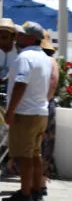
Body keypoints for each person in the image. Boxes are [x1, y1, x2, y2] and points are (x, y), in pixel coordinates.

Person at [2, 21, 54, 201]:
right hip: (40, 112)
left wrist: (10, 110)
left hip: (25, 113)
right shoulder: (45, 58)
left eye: (21, 34)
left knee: (24, 156)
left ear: (31, 38)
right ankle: (37, 190)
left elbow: (21, 84)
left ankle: (25, 193)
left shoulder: (25, 57)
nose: (17, 37)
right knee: (34, 154)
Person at [40, 31, 60, 192]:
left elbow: (52, 85)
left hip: (41, 106)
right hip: (47, 105)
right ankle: (41, 181)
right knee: (46, 146)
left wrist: (43, 102)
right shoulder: (52, 60)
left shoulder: (47, 60)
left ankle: (39, 182)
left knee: (39, 145)